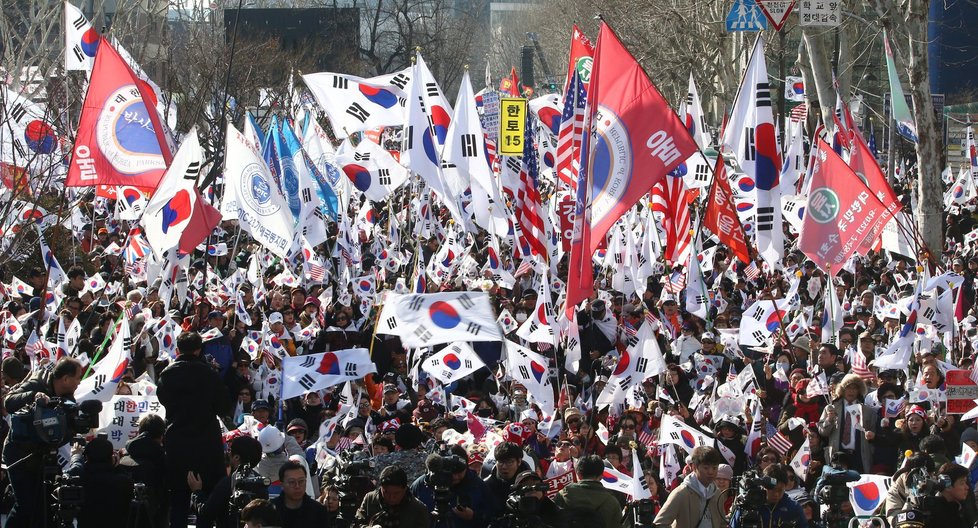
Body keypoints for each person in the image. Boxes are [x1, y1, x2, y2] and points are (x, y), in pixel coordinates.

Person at [157, 331, 233, 528]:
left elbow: (164, 400)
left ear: (178, 350)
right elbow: (224, 406)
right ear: (200, 349)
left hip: (177, 442)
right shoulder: (209, 374)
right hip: (206, 443)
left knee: (179, 498)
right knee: (209, 499)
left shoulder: (167, 374)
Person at [2, 357, 83, 528]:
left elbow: (65, 432)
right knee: (25, 505)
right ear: (66, 379)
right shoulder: (38, 382)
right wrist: (33, 397)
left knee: (45, 505)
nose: (79, 382)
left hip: (45, 455)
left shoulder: (68, 397)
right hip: (19, 453)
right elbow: (8, 402)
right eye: (77, 378)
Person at [188, 435, 265, 528]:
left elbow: (207, 512)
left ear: (236, 457)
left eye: (230, 450)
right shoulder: (261, 482)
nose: (227, 453)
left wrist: (197, 492)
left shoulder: (229, 483)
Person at [410, 447, 496, 528]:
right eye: (451, 472)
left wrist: (473, 516)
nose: (455, 477)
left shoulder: (478, 486)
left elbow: (491, 517)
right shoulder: (421, 485)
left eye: (460, 472)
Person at [65, 435, 135, 528]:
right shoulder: (123, 481)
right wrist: (116, 466)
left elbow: (74, 472)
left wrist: (76, 457)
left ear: (87, 458)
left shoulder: (81, 479)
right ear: (111, 458)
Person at [653, 446, 726, 528]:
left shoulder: (716, 493)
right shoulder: (681, 493)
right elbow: (659, 524)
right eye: (706, 468)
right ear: (694, 467)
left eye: (714, 468)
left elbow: (722, 523)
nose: (711, 472)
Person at [125, 413, 170, 528]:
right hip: (156, 516)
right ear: (161, 434)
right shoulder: (163, 459)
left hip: (127, 516)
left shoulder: (125, 456)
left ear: (139, 431)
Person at [554, 454, 622, 528]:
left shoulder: (562, 495)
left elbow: (553, 521)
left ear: (578, 474)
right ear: (601, 476)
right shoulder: (612, 501)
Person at [730, 464, 807, 528]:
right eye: (772, 490)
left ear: (785, 487)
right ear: (763, 486)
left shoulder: (793, 508)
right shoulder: (747, 505)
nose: (776, 494)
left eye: (780, 490)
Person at [355, 465, 432, 527]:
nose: (391, 497)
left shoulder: (418, 509)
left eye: (396, 493)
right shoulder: (370, 499)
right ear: (380, 487)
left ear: (405, 489)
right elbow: (357, 523)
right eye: (386, 493)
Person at [272, 460, 331, 527]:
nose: (297, 486)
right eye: (292, 482)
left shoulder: (319, 510)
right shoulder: (271, 509)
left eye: (301, 481)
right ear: (282, 485)